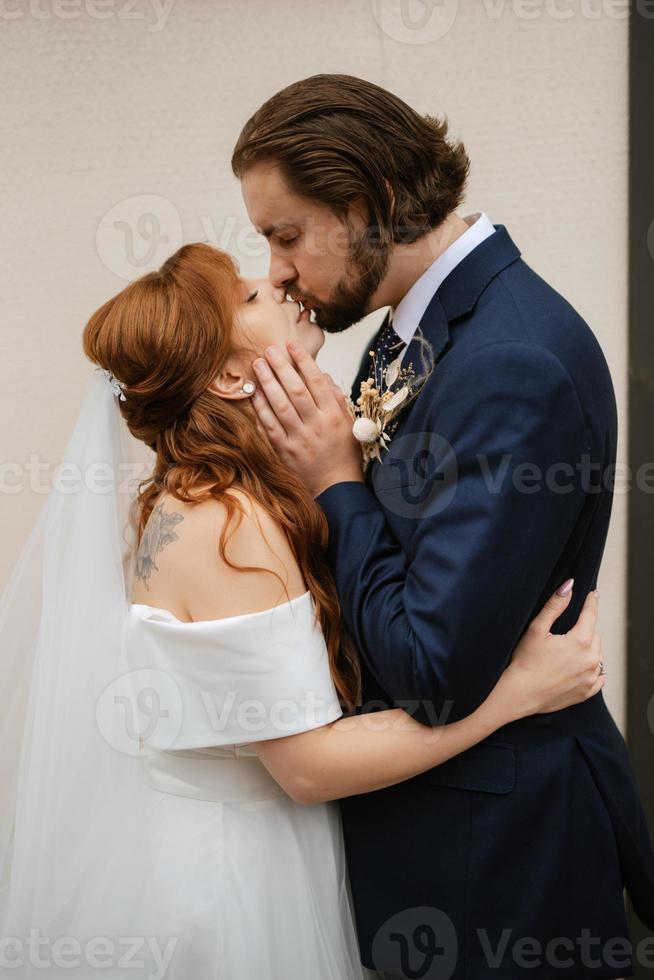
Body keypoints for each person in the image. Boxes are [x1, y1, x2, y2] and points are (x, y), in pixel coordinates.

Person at [0, 243, 604, 980]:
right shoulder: (225, 524)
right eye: (249, 296)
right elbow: (309, 768)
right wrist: (518, 693)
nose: (277, 281)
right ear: (228, 375)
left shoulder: (202, 496)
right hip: (231, 881)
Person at [231, 73, 654, 979]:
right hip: (445, 831)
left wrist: (336, 480)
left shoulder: (510, 362)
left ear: (372, 202)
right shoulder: (411, 330)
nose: (275, 271)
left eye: (287, 236)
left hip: (497, 857)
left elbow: (433, 668)